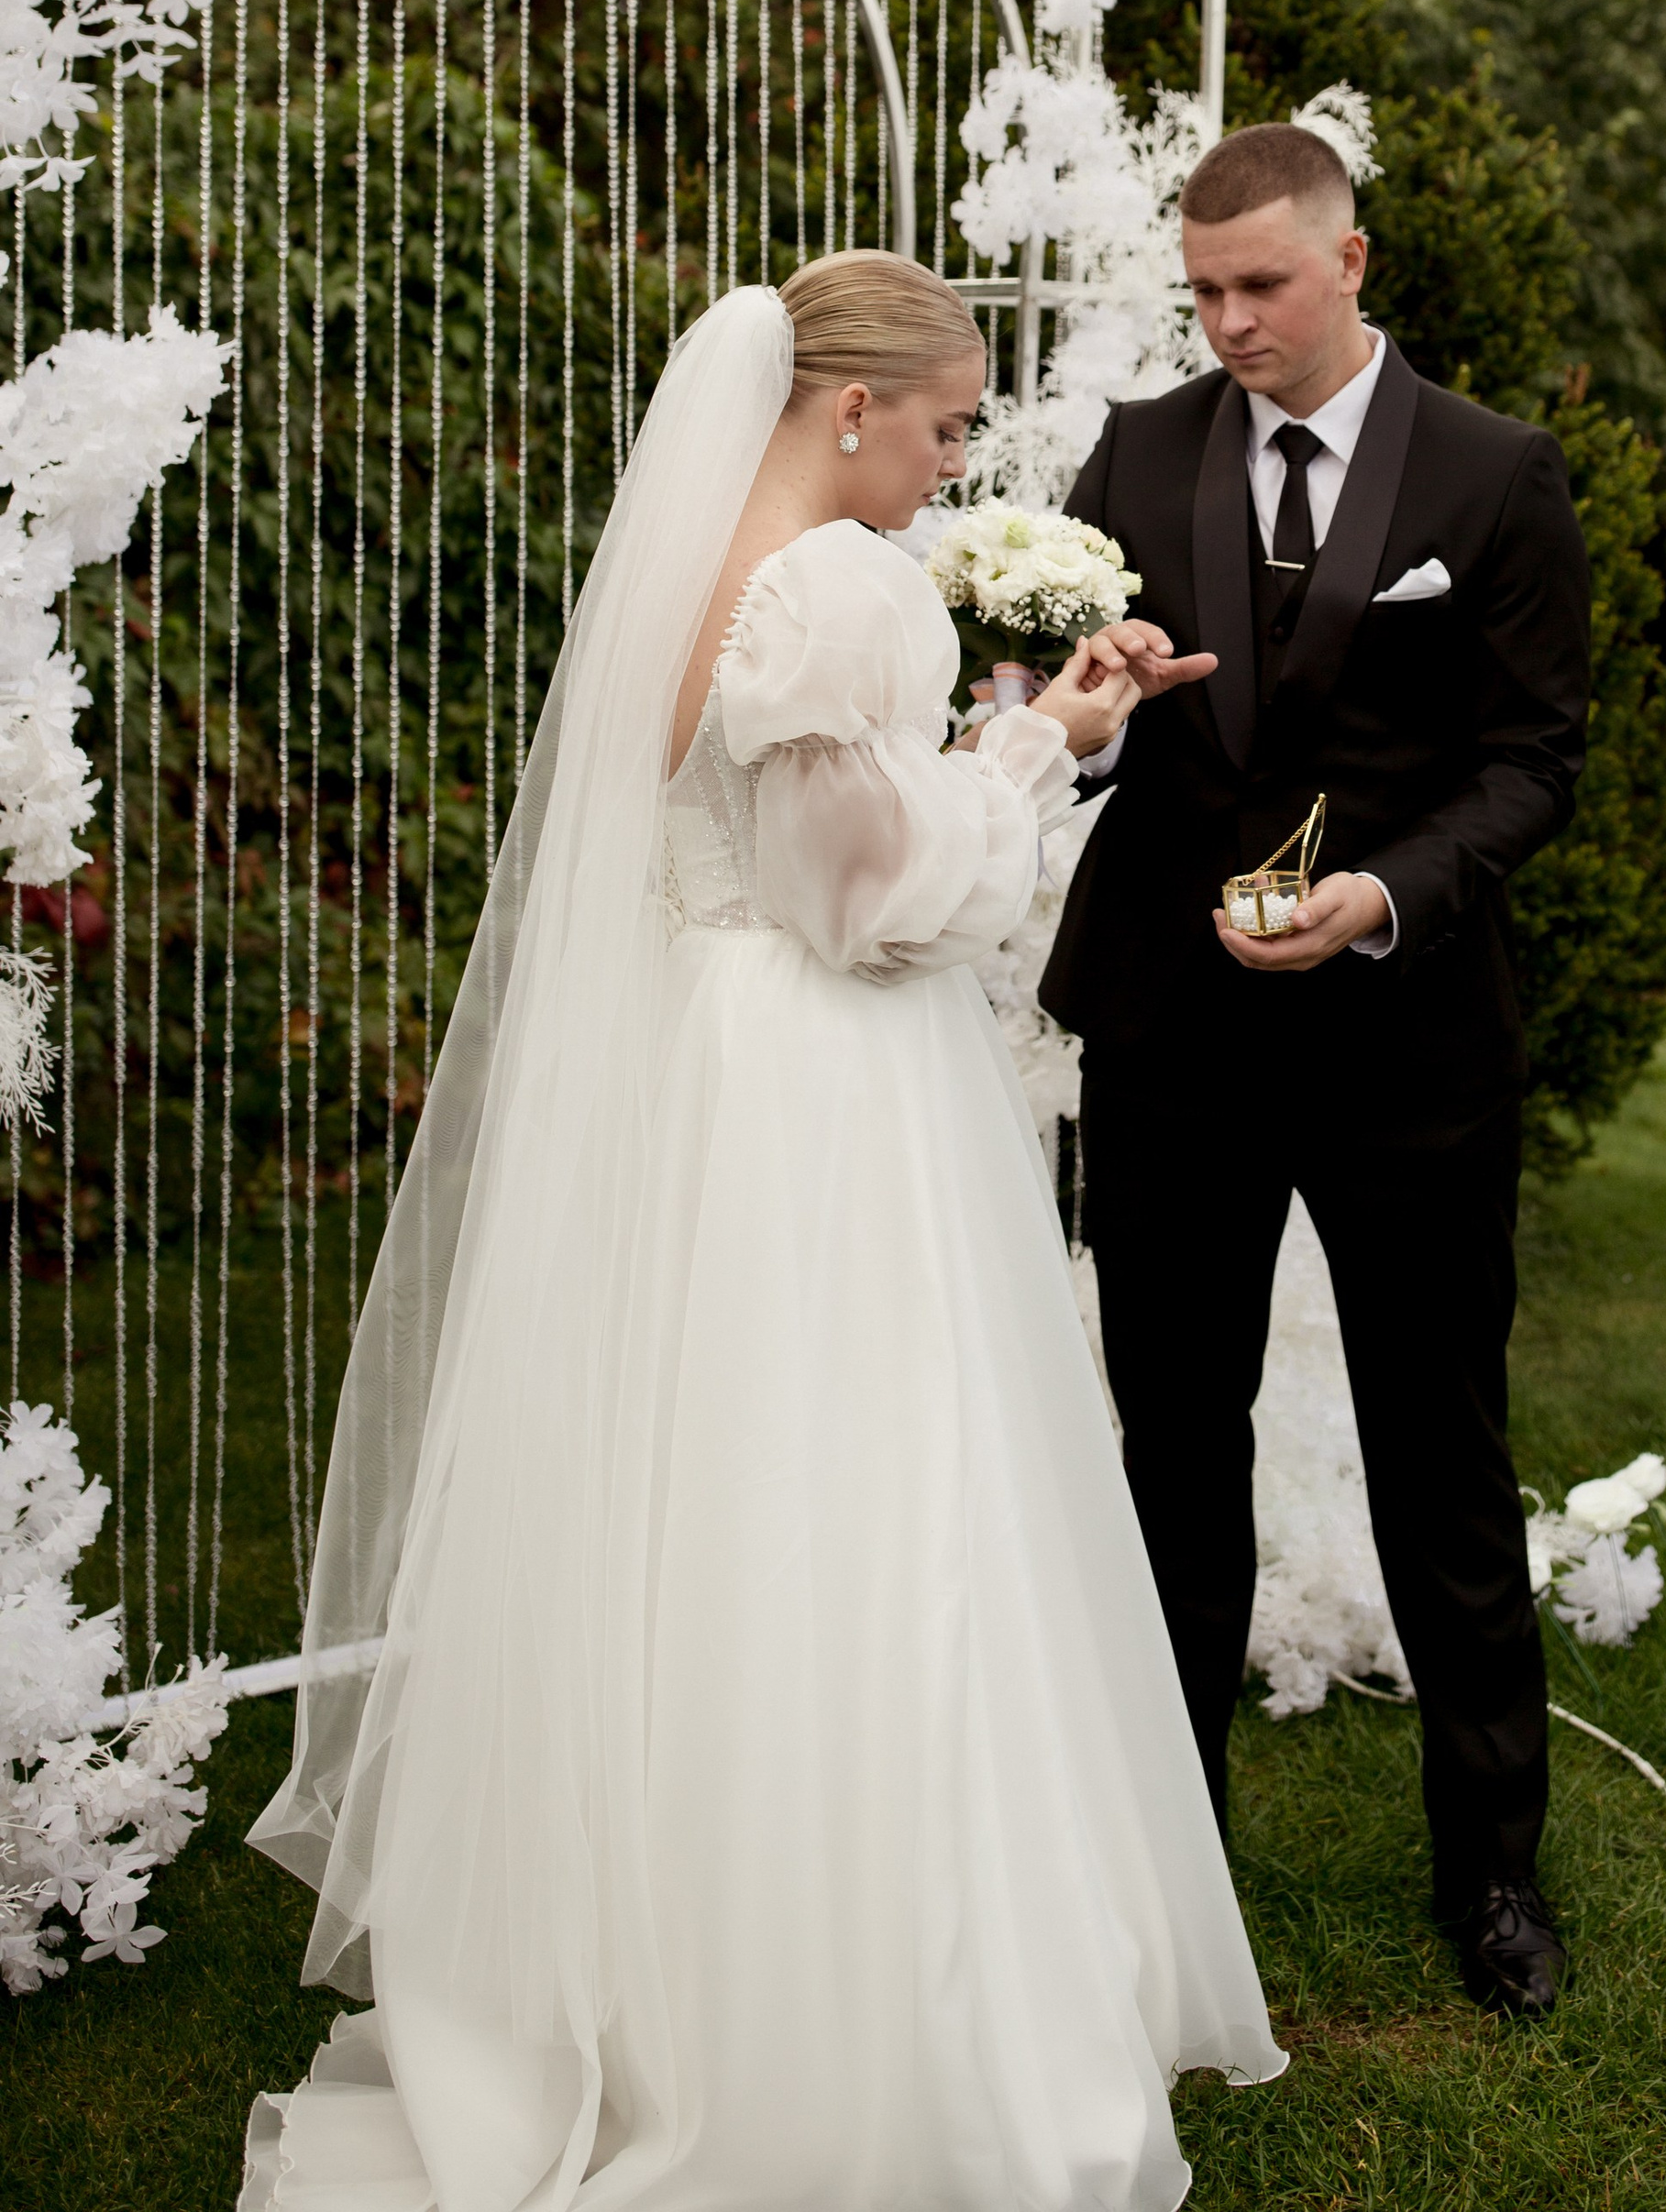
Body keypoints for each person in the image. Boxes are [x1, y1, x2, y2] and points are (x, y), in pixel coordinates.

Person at [240, 257, 1285, 2212]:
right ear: (848, 413)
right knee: (877, 1495)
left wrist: (991, 737)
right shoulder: (831, 590)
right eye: (950, 423)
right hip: (825, 1081)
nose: (959, 460)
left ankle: (673, 1982)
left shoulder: (695, 575)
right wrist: (1038, 753)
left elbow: (775, 851)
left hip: (719, 1073)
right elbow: (863, 899)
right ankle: (858, 2020)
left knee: (710, 1499)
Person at [1043, 123, 1592, 2021]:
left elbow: (1533, 762)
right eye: (1199, 292)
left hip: (1408, 1046)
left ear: (1351, 260)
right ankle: (1164, 1863)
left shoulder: (1493, 474)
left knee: (1440, 1461)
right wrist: (1089, 721)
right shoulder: (1132, 452)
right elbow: (1064, 717)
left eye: (1258, 286)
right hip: (1171, 1040)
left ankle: (1495, 1877)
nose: (1225, 324)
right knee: (1168, 1454)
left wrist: (1381, 893)